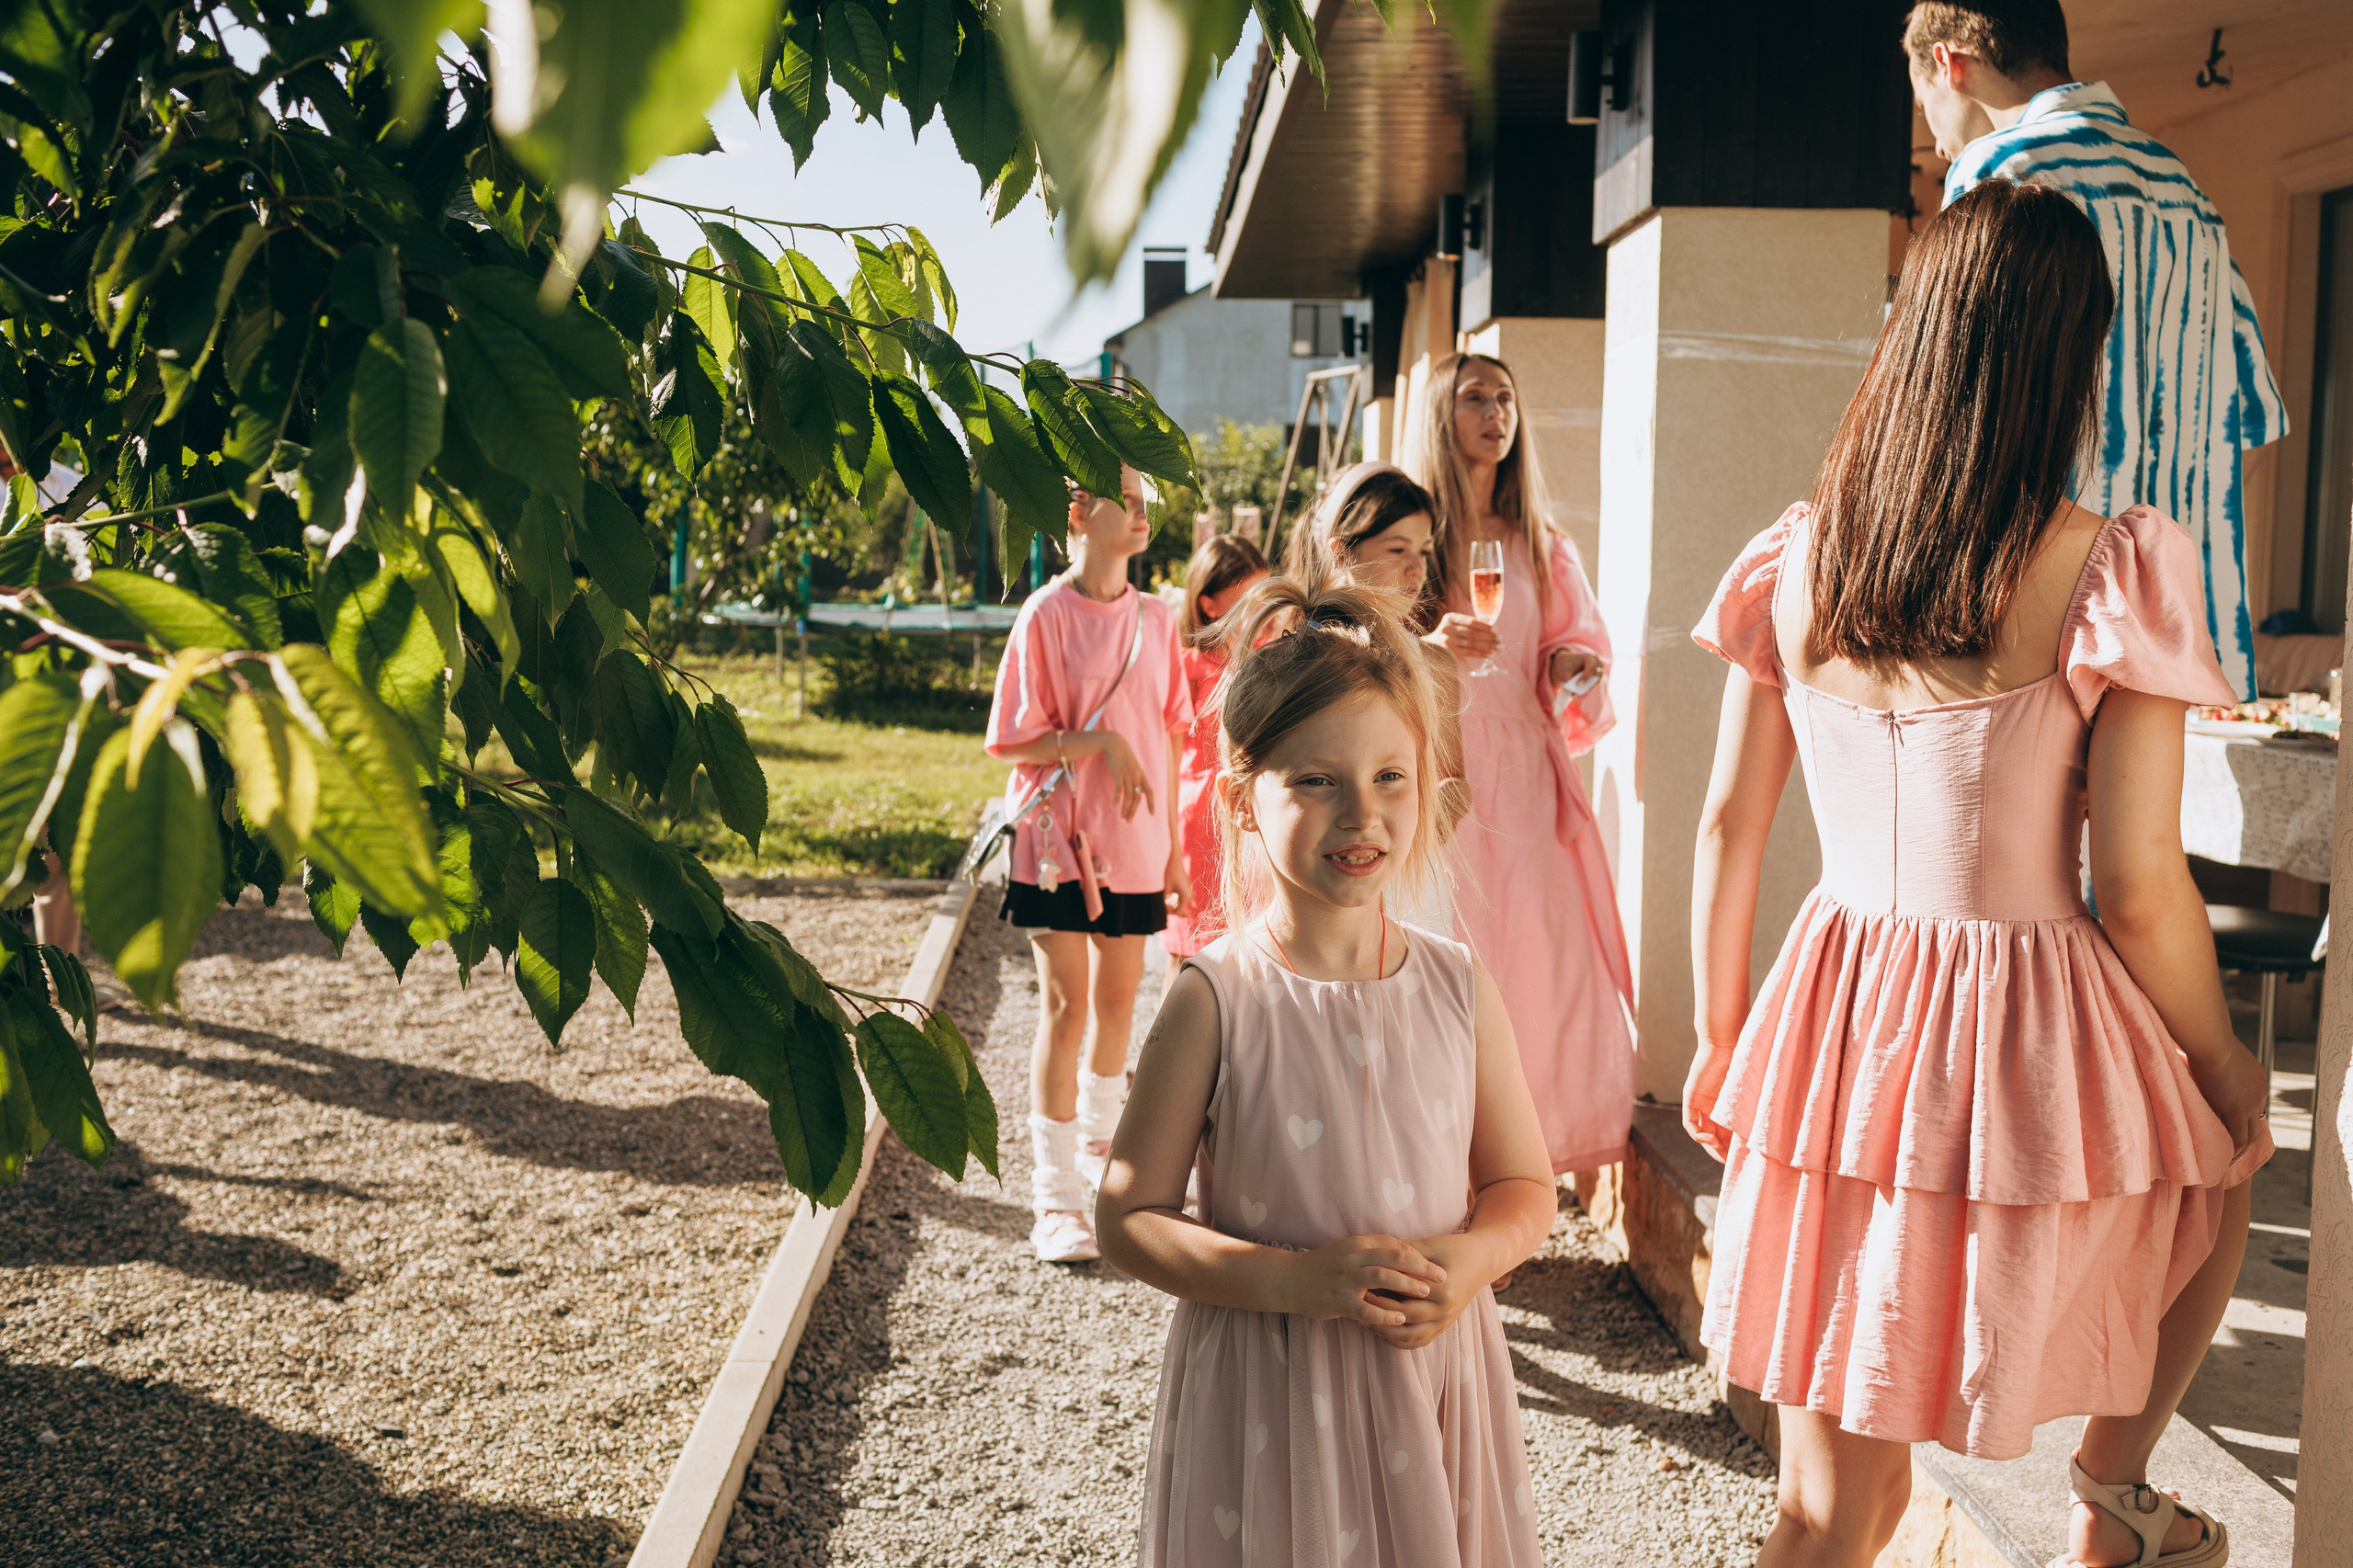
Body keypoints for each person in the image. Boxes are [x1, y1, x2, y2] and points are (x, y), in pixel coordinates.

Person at [1686, 179, 2270, 1568]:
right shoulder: (2111, 565)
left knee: (1832, 1510)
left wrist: (1724, 1043)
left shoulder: (1797, 556)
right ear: (2068, 358)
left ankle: (2108, 1511)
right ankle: (2113, 1497)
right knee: (2216, 1177)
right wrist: (2219, 1055)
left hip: (1830, 1022)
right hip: (2021, 1018)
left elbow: (1725, 826)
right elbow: (2136, 881)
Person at [1097, 576, 1554, 1568]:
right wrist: (1296, 1280)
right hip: (1272, 1386)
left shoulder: (1457, 984)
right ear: (1241, 799)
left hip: (1431, 1373)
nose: (1363, 813)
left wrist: (1469, 1263)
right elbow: (1127, 1216)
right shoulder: (1216, 997)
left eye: (1390, 776)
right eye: (1315, 779)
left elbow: (1524, 1183)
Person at [1908, 0, 2288, 701]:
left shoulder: (1998, 171)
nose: (1934, 142)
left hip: (2045, 623)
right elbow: (2254, 423)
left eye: (1924, 103)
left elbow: (1951, 413)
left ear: (1949, 62)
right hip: (2183, 631)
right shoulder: (2188, 191)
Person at [1415, 352, 1635, 1175]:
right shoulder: (1418, 534)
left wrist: (1567, 664)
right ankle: (1444, 1168)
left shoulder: (1540, 544)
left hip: (1527, 772)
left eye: (1506, 397)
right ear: (1444, 413)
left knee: (1535, 967)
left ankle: (1518, 1167)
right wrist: (1433, 647)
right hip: (1443, 765)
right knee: (1457, 957)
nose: (1495, 412)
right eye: (1476, 397)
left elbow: (1573, 646)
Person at [984, 465, 1194, 1265]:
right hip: (1055, 845)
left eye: (1148, 504)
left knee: (1118, 1005)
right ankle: (1053, 1198)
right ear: (1079, 512)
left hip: (1137, 844)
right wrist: (1099, 742)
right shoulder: (1044, 615)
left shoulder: (1158, 617)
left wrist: (1174, 845)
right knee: (1066, 1009)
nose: (1144, 517)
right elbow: (1011, 738)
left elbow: (1174, 735)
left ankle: (1102, 1159)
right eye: (1128, 504)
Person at [1162, 534, 1269, 980]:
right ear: (1208, 605)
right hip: (1200, 824)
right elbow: (1164, 753)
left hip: (1252, 818)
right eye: (1247, 597)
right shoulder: (1185, 667)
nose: (1260, 607)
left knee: (1252, 950)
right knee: (1191, 955)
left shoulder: (1269, 655)